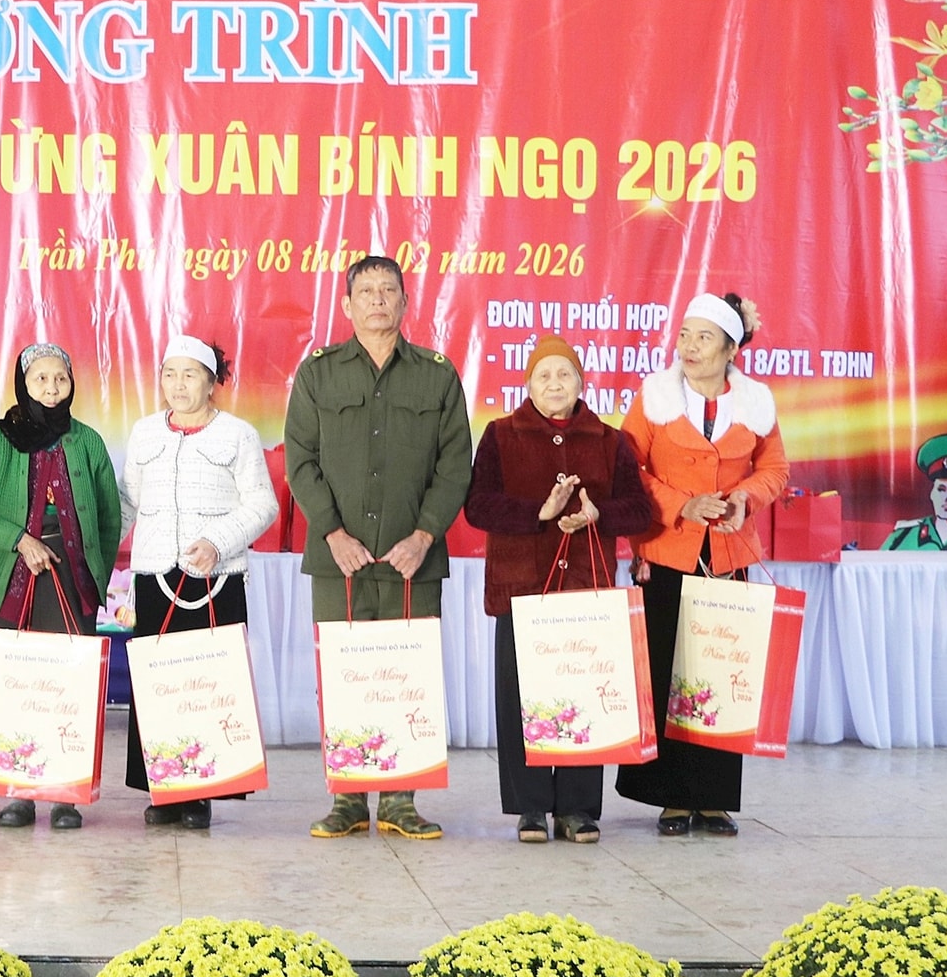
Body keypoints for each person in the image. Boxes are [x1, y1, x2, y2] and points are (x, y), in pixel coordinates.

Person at [286, 255, 472, 840]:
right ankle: (346, 799)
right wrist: (332, 533)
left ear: (405, 302)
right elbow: (300, 461)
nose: (377, 300)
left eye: (388, 290)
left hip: (412, 562)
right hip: (337, 561)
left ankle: (399, 801)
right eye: (365, 291)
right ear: (346, 305)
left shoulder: (436, 376)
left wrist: (424, 535)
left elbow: (455, 465)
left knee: (406, 678)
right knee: (345, 678)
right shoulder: (318, 373)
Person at [463, 335, 655, 844]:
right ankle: (529, 807)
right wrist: (539, 513)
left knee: (582, 694)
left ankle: (577, 808)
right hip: (522, 589)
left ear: (581, 383)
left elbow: (640, 510)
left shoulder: (609, 440)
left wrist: (598, 514)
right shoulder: (500, 435)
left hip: (585, 587)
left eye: (564, 374)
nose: (554, 384)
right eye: (544, 375)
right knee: (522, 696)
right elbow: (478, 506)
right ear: (528, 384)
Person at [615, 292, 790, 837]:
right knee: (667, 670)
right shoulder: (654, 397)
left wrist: (744, 500)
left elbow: (775, 469)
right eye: (685, 335)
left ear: (731, 349)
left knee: (719, 675)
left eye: (704, 338)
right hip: (666, 552)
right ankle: (670, 797)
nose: (689, 347)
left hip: (728, 555)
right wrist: (680, 505)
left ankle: (713, 798)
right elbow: (627, 468)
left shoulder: (756, 403)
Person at [0, 343, 122, 830]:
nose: (51, 389)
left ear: (72, 384)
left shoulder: (87, 442)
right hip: (13, 574)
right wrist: (20, 541)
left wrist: (92, 571)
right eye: (40, 379)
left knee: (69, 683)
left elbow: (108, 518)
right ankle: (19, 793)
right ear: (23, 384)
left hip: (71, 576)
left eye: (60, 379)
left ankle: (66, 793)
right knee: (19, 683)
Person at [118, 336, 277, 830]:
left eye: (190, 374)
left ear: (212, 383)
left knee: (207, 687)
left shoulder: (238, 435)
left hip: (215, 577)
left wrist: (217, 542)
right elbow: (127, 503)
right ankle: (165, 790)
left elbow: (263, 504)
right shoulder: (145, 432)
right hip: (154, 576)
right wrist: (90, 551)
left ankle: (202, 792)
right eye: (170, 374)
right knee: (159, 688)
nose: (178, 384)